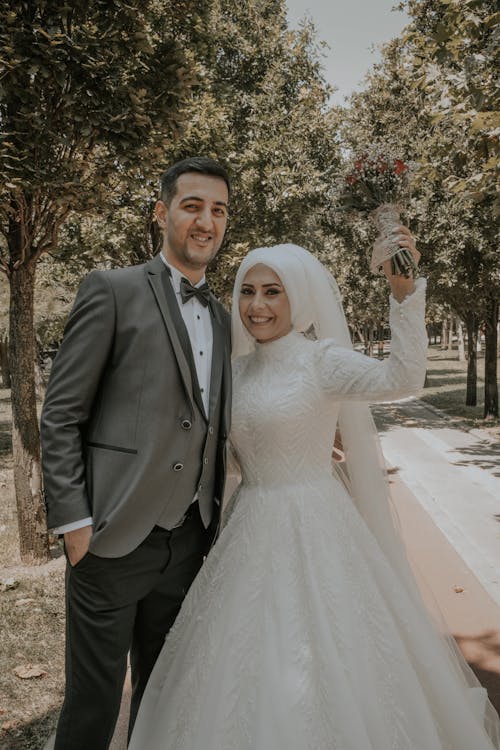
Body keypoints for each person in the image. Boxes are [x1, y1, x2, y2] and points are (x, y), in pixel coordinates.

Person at [129, 231, 500, 749]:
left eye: (272, 292)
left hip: (317, 521)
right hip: (249, 524)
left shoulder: (321, 360)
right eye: (247, 291)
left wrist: (403, 294)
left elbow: (404, 376)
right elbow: (228, 457)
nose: (256, 305)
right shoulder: (234, 371)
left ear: (298, 297)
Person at [40, 157, 232, 750]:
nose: (207, 221)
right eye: (192, 205)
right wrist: (74, 523)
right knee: (93, 708)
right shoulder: (112, 289)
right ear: (162, 212)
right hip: (110, 538)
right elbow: (61, 413)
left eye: (219, 210)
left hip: (188, 541)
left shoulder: (224, 318)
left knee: (164, 698)